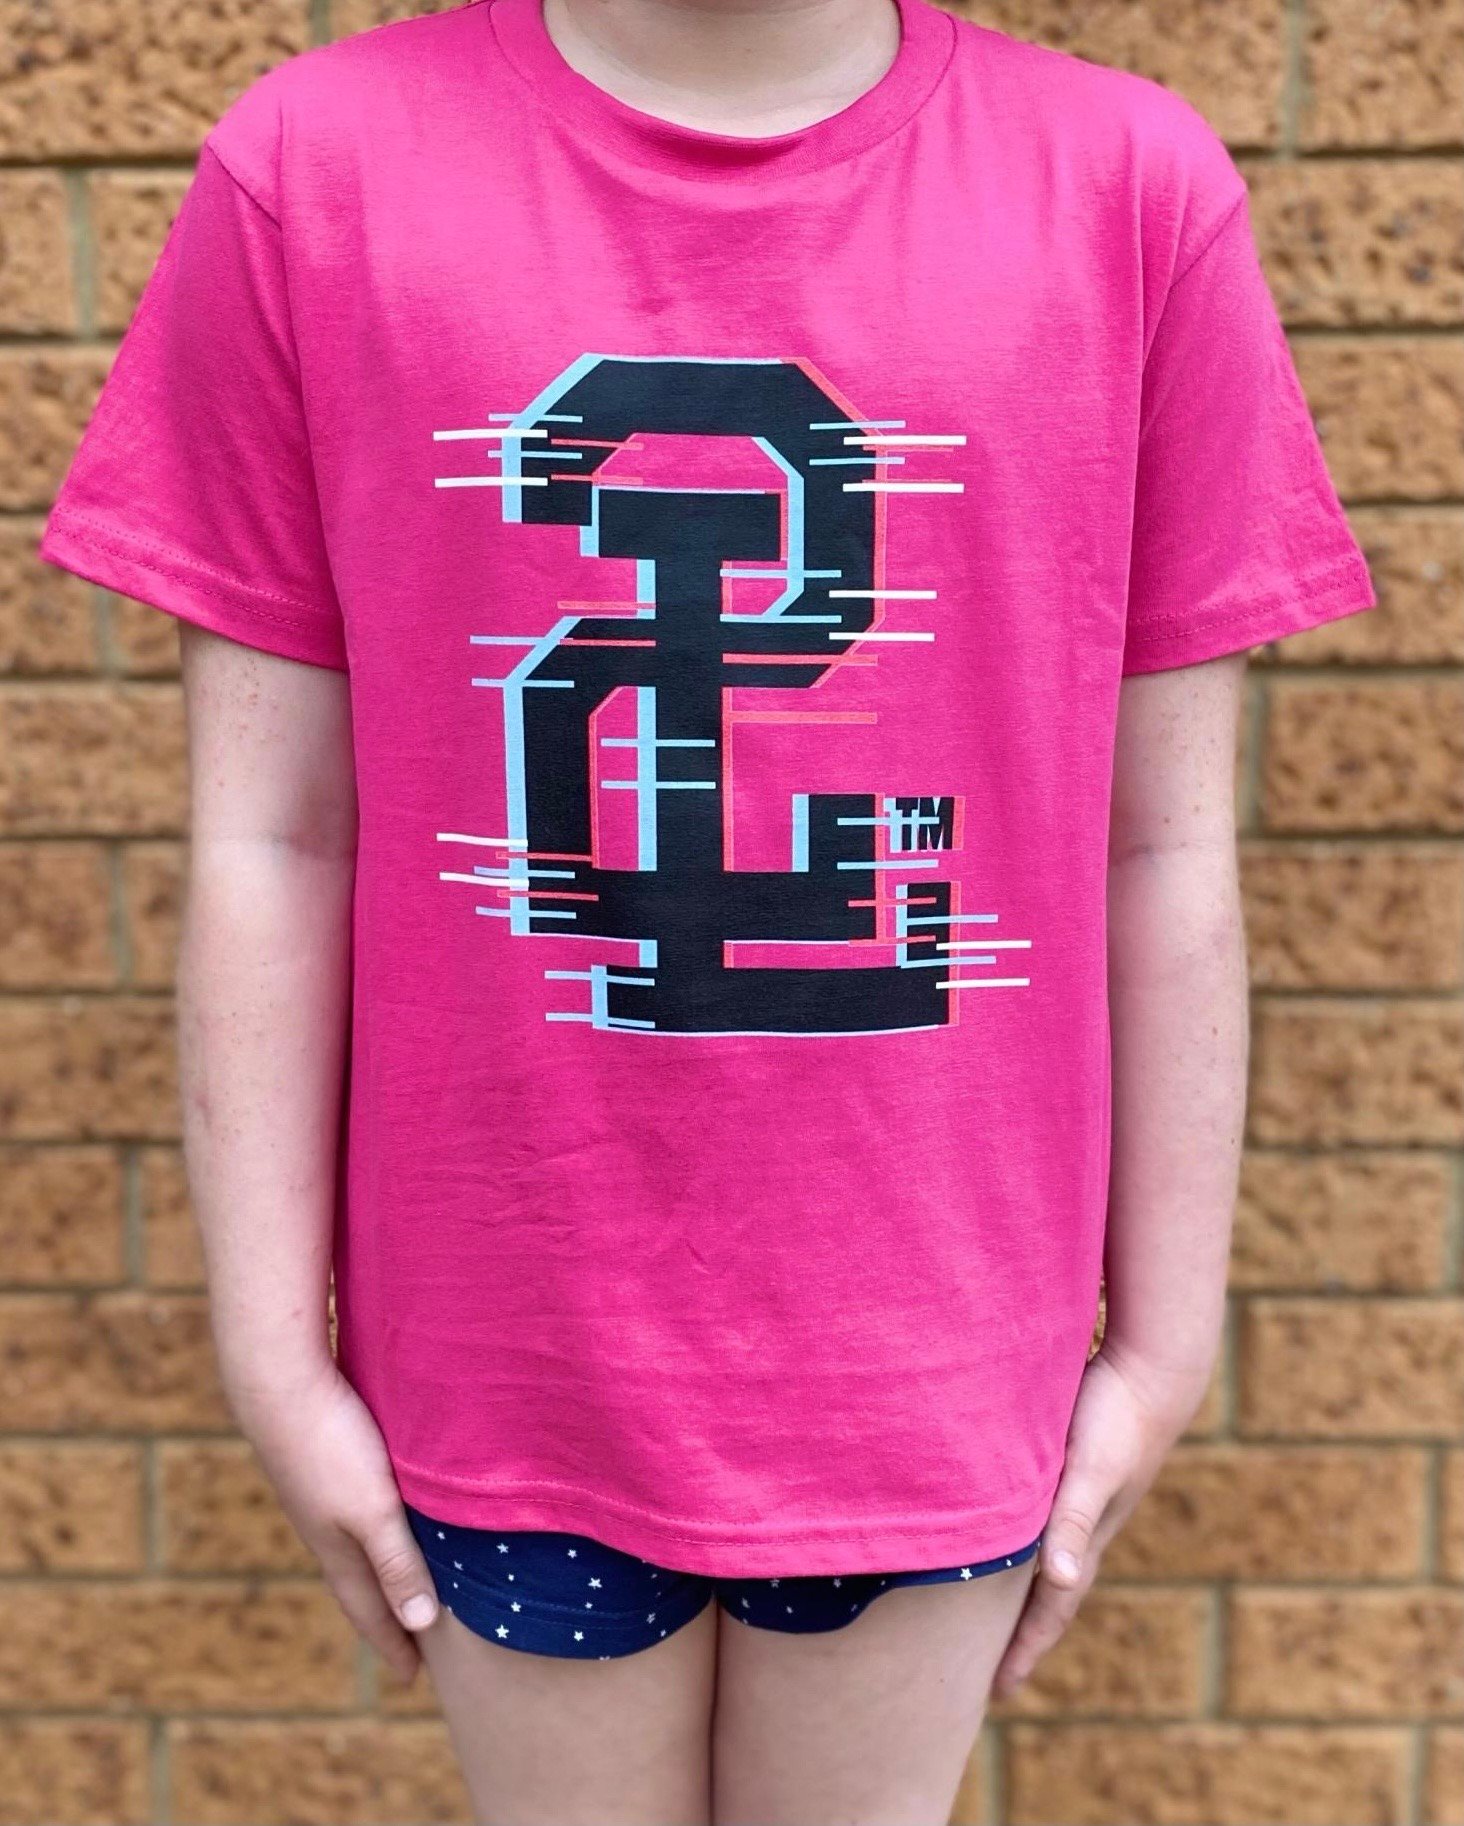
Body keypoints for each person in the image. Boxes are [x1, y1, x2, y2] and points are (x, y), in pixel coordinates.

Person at [40, 0, 1376, 1818]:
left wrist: (1167, 1339)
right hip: (508, 1333)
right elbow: (278, 834)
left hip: (925, 1335)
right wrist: (269, 1345)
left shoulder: (1126, 190)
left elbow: (1164, 848)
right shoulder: (314, 174)